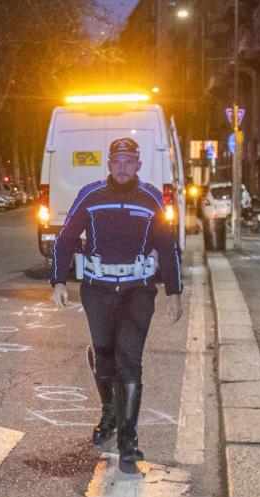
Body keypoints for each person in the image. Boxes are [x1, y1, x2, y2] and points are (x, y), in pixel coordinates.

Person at [51, 136, 183, 465]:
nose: (122, 168)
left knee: (131, 361)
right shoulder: (91, 195)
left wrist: (174, 293)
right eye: (116, 162)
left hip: (138, 291)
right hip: (98, 290)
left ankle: (129, 437)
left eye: (129, 162)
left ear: (138, 165)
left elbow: (168, 246)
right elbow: (65, 239)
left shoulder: (152, 198)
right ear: (108, 164)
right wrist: (58, 281)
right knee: (105, 356)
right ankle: (109, 412)